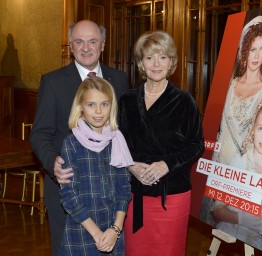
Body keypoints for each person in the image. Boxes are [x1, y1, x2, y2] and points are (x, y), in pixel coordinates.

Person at [29, 20, 128, 256]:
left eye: (92, 41)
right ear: (70, 47)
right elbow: (40, 133)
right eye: (79, 42)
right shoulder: (52, 82)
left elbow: (123, 132)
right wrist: (53, 161)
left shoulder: (120, 80)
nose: (86, 47)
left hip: (109, 197)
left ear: (102, 45)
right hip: (68, 192)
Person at [118, 31, 204, 256]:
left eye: (163, 57)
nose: (156, 64)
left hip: (172, 196)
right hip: (133, 195)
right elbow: (115, 143)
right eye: (149, 58)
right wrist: (130, 165)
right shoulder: (126, 101)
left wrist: (166, 164)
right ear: (141, 63)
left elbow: (197, 144)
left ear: (171, 62)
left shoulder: (184, 101)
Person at [200, 15, 262, 223]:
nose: (256, 55)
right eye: (252, 49)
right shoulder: (227, 86)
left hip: (246, 173)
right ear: (244, 51)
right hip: (219, 168)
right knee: (214, 231)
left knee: (241, 231)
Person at [59, 76, 133, 255]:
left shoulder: (117, 140)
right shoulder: (71, 143)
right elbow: (68, 195)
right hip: (82, 230)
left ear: (112, 106)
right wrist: (97, 233)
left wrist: (116, 229)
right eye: (91, 105)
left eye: (105, 104)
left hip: (112, 229)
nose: (98, 111)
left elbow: (124, 188)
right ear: (81, 107)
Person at [211, 96, 262, 253]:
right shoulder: (237, 162)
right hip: (226, 237)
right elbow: (217, 211)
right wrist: (241, 218)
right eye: (260, 128)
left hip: (253, 245)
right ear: (253, 128)